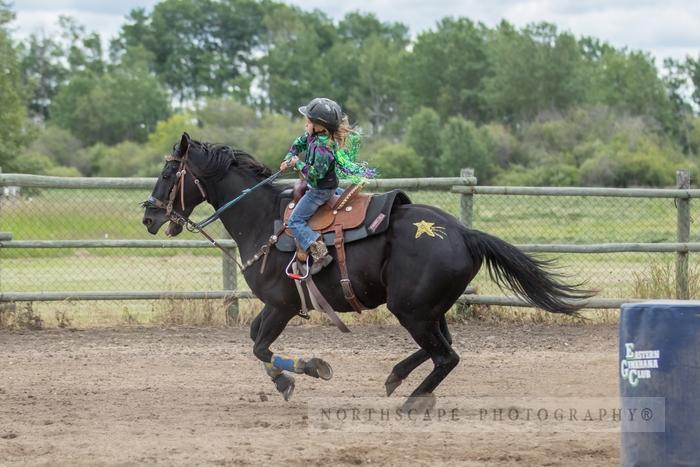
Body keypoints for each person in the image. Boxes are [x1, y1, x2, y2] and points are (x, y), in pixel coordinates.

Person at [280, 97, 376, 274]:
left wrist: (297, 164)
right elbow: (299, 142)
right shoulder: (312, 136)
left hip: (320, 191)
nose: (305, 123)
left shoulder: (324, 149)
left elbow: (316, 175)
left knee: (295, 221)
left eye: (308, 121)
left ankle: (319, 252)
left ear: (319, 126)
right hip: (320, 186)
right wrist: (289, 157)